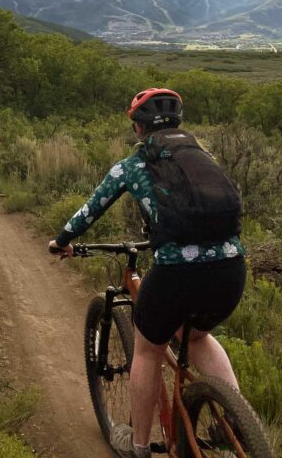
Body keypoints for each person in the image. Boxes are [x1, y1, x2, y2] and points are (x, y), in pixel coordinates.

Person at [47, 88, 247, 458]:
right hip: (231, 270)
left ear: (139, 129)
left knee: (149, 348)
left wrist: (61, 241)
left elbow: (92, 209)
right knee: (198, 338)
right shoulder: (204, 157)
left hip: (177, 275)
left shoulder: (132, 166)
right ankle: (234, 421)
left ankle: (138, 446)